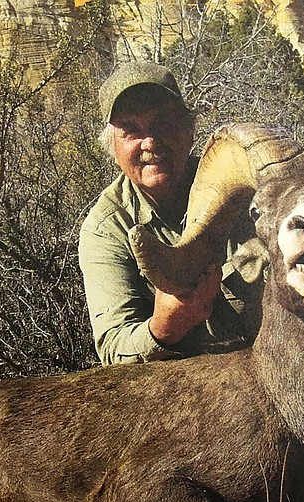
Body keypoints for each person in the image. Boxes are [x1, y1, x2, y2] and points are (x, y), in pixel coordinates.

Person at [79, 61, 258, 365]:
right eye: (131, 131)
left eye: (163, 124)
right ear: (113, 148)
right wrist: (168, 323)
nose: (150, 142)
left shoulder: (241, 188)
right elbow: (113, 346)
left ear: (188, 130)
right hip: (178, 389)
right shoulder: (106, 228)